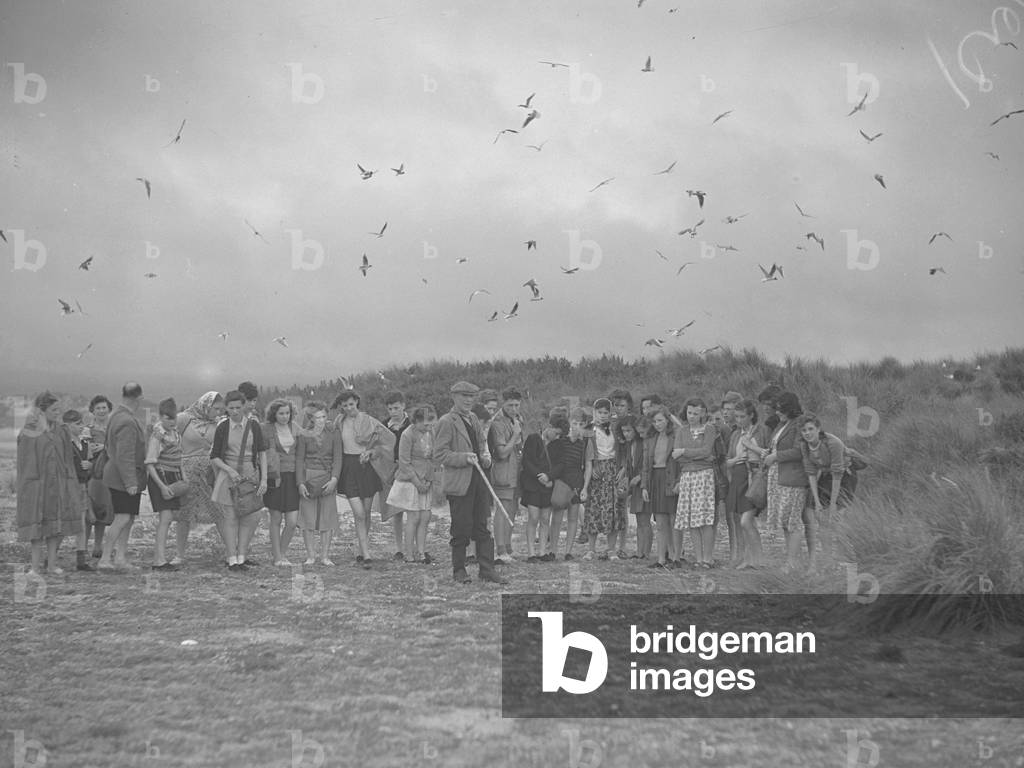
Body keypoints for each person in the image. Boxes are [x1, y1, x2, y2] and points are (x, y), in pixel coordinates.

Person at [433, 381, 507, 584]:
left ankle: (487, 569)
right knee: (461, 527)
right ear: (454, 397)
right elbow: (440, 455)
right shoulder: (446, 422)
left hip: (479, 480)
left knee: (482, 526)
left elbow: (481, 443)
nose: (468, 400)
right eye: (463, 396)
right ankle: (459, 570)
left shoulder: (474, 418)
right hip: (459, 483)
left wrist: (485, 455)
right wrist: (464, 457)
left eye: (471, 396)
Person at [16, 393, 84, 575]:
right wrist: (29, 486)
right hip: (38, 486)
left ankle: (52, 565)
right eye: (54, 410)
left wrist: (70, 483)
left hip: (59, 485)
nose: (58, 412)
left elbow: (68, 459)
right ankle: (35, 567)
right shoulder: (30, 431)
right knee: (37, 525)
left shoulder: (61, 430)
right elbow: (25, 462)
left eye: (58, 409)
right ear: (42, 410)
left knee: (56, 526)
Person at [332, 390, 395, 564]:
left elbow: (388, 441)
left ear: (357, 402)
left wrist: (372, 452)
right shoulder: (339, 421)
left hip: (367, 466)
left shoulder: (370, 421)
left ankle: (362, 548)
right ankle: (366, 554)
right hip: (348, 467)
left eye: (351, 404)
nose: (348, 408)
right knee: (359, 513)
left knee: (366, 512)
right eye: (344, 406)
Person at [210, 390, 268, 571]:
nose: (234, 411)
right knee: (230, 517)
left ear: (244, 406)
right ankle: (231, 558)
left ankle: (242, 555)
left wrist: (264, 478)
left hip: (250, 475)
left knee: (250, 516)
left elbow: (262, 453)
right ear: (226, 408)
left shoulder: (254, 426)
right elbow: (214, 457)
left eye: (237, 407)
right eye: (230, 408)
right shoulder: (223, 427)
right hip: (228, 475)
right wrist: (228, 470)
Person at [98, 382, 148, 571]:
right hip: (123, 478)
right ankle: (105, 558)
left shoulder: (117, 415)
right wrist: (130, 483)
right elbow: (124, 455)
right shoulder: (126, 420)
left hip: (119, 475)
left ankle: (120, 558)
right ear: (139, 398)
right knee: (122, 517)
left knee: (128, 518)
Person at [759, 392, 811, 571]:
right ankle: (790, 560)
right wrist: (768, 452)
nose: (777, 413)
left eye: (781, 410)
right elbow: (776, 445)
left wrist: (775, 456)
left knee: (792, 521)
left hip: (794, 477)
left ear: (790, 409)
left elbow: (799, 451)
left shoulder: (800, 424)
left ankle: (792, 561)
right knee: (784, 521)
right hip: (779, 476)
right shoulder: (783, 424)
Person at [176, 392, 225, 563]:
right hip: (186, 471)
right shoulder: (184, 419)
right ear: (206, 405)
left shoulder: (218, 424)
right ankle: (179, 555)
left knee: (218, 511)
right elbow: (170, 440)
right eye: (215, 408)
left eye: (220, 409)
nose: (218, 412)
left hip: (208, 472)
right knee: (185, 513)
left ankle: (230, 554)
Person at [387, 404, 439, 564]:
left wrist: (429, 480)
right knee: (413, 517)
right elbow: (404, 462)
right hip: (410, 480)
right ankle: (409, 554)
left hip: (426, 478)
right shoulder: (407, 435)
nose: (428, 426)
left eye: (431, 423)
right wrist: (417, 482)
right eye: (425, 423)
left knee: (425, 516)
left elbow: (434, 457)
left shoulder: (431, 432)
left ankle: (422, 552)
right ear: (416, 421)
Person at [672, 398, 719, 568]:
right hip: (687, 476)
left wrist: (685, 451)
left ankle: (707, 558)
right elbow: (676, 456)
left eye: (696, 413)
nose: (691, 416)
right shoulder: (682, 431)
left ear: (703, 413)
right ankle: (698, 559)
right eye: (689, 412)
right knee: (692, 518)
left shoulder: (709, 429)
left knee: (705, 518)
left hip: (704, 475)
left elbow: (707, 450)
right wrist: (698, 455)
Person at [295, 402, 342, 566]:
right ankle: (310, 556)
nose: (321, 420)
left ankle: (325, 556)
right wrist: (300, 483)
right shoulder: (304, 434)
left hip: (328, 476)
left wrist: (334, 479)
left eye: (323, 416)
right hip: (308, 475)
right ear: (311, 419)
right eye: (317, 417)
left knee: (327, 517)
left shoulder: (334, 433)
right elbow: (299, 459)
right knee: (307, 517)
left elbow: (338, 458)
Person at [726, 400, 770, 569]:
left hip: (755, 477)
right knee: (743, 522)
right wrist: (736, 459)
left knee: (746, 521)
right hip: (738, 476)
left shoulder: (762, 431)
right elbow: (727, 461)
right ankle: (749, 559)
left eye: (742, 416)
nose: (739, 420)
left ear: (751, 415)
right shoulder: (735, 434)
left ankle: (759, 560)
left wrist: (751, 446)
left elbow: (769, 454)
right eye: (736, 417)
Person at [581, 398, 626, 561]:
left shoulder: (615, 428)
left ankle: (611, 549)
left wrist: (622, 468)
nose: (602, 416)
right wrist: (591, 468)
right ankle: (591, 549)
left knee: (613, 509)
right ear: (594, 412)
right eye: (599, 412)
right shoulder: (588, 429)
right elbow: (585, 453)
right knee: (593, 509)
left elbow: (622, 449)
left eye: (605, 412)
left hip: (613, 469)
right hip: (595, 470)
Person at [146, 398, 185, 570]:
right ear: (161, 417)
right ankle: (158, 560)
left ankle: (160, 558)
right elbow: (150, 463)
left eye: (173, 418)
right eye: (168, 418)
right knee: (165, 518)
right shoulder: (157, 436)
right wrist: (162, 486)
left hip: (173, 476)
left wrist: (184, 478)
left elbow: (180, 458)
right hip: (160, 477)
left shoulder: (175, 434)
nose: (172, 421)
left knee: (168, 519)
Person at [263, 398, 302, 566]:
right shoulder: (266, 429)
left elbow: (302, 454)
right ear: (274, 414)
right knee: (276, 518)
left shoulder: (296, 428)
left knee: (292, 521)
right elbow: (261, 454)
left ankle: (282, 553)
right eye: (281, 413)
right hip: (275, 477)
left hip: (293, 477)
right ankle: (277, 557)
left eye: (287, 413)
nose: (285, 416)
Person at [798, 413, 858, 520]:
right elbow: (811, 473)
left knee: (838, 512)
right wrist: (817, 502)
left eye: (810, 429)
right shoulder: (804, 445)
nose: (807, 433)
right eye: (804, 430)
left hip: (844, 474)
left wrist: (833, 504)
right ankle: (822, 531)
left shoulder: (833, 443)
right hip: (826, 473)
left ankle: (842, 532)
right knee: (814, 507)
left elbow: (837, 474)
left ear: (818, 429)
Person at [641, 405, 680, 569]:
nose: (657, 424)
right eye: (655, 421)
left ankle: (675, 556)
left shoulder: (676, 435)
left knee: (673, 519)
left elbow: (682, 427)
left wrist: (679, 481)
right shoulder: (650, 439)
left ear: (668, 420)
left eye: (661, 420)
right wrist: (644, 486)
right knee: (660, 521)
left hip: (670, 477)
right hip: (655, 479)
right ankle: (661, 558)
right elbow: (645, 464)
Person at [488, 387, 524, 563]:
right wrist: (516, 434)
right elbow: (502, 453)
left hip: (517, 470)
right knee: (502, 510)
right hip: (503, 472)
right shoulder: (497, 423)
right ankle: (500, 550)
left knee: (512, 509)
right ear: (504, 403)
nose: (514, 409)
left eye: (517, 405)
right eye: (510, 405)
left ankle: (508, 548)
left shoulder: (516, 418)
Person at [547, 410, 586, 561]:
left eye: (580, 424)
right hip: (562, 481)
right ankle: (553, 550)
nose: (577, 427)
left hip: (577, 482)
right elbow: (554, 460)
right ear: (569, 424)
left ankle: (568, 551)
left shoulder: (584, 444)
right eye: (574, 423)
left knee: (573, 517)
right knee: (557, 517)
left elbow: (585, 465)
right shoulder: (561, 441)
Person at [520, 420, 558, 562]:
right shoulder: (533, 439)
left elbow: (557, 465)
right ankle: (531, 553)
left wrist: (550, 479)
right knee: (534, 518)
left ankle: (542, 552)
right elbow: (527, 462)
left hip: (547, 485)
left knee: (544, 519)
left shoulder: (554, 445)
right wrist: (541, 477)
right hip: (533, 485)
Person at [62, 409, 96, 571]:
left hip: (82, 486)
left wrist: (90, 466)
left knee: (81, 523)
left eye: (81, 423)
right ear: (67, 425)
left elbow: (90, 466)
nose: (81, 426)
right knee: (66, 521)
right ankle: (52, 555)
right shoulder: (63, 445)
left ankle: (81, 560)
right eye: (77, 424)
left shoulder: (84, 444)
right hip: (69, 487)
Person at [85, 394, 114, 559]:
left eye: (104, 407)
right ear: (92, 411)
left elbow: (117, 449)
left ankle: (97, 546)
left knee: (103, 510)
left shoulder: (113, 429)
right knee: (89, 512)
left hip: (108, 474)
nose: (101, 411)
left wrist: (103, 447)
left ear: (109, 409)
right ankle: (82, 547)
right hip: (91, 474)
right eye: (98, 408)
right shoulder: (87, 430)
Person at [384, 391, 411, 561]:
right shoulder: (383, 426)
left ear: (403, 406)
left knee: (414, 510)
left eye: (396, 407)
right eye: (390, 409)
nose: (393, 412)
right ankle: (399, 548)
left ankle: (414, 546)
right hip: (391, 471)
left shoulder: (412, 423)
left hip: (411, 469)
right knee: (397, 511)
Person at [616, 415, 648, 559]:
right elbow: (630, 464)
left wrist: (641, 476)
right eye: (624, 431)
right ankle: (639, 552)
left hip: (645, 483)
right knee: (639, 518)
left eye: (629, 430)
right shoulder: (629, 445)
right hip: (634, 484)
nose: (626, 434)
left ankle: (644, 552)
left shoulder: (643, 443)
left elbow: (649, 462)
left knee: (645, 520)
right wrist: (626, 476)